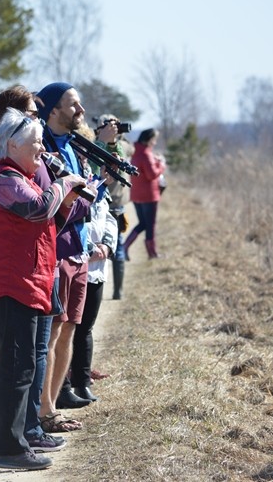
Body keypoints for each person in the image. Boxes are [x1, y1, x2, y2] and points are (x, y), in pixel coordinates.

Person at [0, 107, 86, 470]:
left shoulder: (19, 176)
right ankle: (9, 449)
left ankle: (16, 441)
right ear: (12, 145)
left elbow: (45, 219)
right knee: (15, 369)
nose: (41, 150)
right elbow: (38, 208)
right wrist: (64, 184)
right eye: (36, 144)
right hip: (11, 286)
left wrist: (67, 202)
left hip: (24, 283)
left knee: (18, 366)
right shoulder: (5, 177)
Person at [35, 82, 96, 430]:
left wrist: (83, 197)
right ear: (53, 110)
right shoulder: (42, 148)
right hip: (56, 253)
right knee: (53, 334)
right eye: (73, 105)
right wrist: (83, 199)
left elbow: (82, 198)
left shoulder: (74, 147)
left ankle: (52, 408)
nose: (81, 111)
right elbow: (59, 203)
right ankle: (43, 410)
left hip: (79, 251)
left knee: (70, 329)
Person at [62, 124, 118, 403]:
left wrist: (107, 245)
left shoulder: (96, 181)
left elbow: (109, 217)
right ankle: (62, 386)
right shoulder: (70, 178)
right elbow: (67, 220)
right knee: (67, 325)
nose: (83, 158)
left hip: (96, 266)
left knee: (85, 328)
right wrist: (88, 247)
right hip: (77, 258)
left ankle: (82, 381)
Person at [94, 114, 133, 300]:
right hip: (111, 203)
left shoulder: (115, 146)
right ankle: (118, 291)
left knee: (109, 247)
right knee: (115, 247)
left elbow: (126, 152)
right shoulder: (94, 146)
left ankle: (114, 290)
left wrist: (113, 138)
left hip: (111, 203)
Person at [124, 128, 166, 260]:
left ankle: (124, 246)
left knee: (142, 223)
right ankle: (152, 253)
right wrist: (161, 164)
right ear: (148, 139)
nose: (154, 143)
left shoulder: (135, 151)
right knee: (150, 225)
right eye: (154, 140)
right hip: (149, 195)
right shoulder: (146, 154)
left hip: (137, 194)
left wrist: (155, 159)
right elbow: (152, 174)